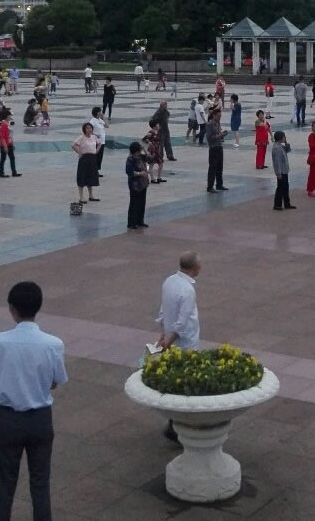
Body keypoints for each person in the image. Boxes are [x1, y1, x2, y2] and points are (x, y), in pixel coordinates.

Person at [0, 281, 68, 521]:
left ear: (12, 309)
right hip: (40, 419)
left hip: (6, 419)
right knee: (40, 483)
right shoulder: (54, 344)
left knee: (3, 484)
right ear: (38, 307)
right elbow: (56, 381)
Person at [157, 252, 202, 441]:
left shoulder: (169, 281)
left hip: (171, 338)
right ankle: (177, 425)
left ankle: (174, 423)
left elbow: (163, 310)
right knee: (186, 382)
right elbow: (182, 322)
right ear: (195, 268)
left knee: (175, 379)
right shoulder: (188, 290)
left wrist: (163, 334)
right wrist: (169, 340)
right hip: (186, 343)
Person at [71, 123, 100, 209]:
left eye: (90, 128)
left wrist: (96, 151)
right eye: (87, 128)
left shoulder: (94, 137)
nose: (89, 130)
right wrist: (79, 152)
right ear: (84, 129)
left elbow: (99, 144)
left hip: (92, 158)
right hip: (84, 158)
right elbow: (73, 145)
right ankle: (81, 197)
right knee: (82, 177)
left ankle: (91, 195)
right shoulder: (81, 137)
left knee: (91, 177)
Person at [126, 141, 150, 230]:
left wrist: (144, 149)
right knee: (134, 203)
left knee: (142, 202)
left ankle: (140, 221)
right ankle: (132, 223)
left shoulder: (141, 157)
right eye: (139, 149)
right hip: (135, 184)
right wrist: (140, 173)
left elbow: (149, 158)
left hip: (143, 183)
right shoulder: (130, 159)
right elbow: (129, 171)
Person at [206, 105, 228, 193]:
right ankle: (210, 186)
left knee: (219, 167)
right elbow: (209, 138)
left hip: (219, 146)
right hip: (213, 148)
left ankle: (219, 184)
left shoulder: (218, 124)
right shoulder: (209, 124)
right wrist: (220, 135)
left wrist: (222, 135)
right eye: (218, 116)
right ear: (214, 115)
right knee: (212, 168)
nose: (219, 118)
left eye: (220, 116)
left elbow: (219, 135)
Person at [271, 131, 295, 210]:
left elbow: (288, 150)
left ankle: (287, 203)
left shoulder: (280, 146)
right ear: (281, 137)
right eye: (284, 137)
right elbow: (277, 162)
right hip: (281, 172)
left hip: (284, 170)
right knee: (280, 188)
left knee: (285, 187)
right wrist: (278, 173)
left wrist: (287, 144)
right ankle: (277, 204)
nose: (285, 138)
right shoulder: (277, 148)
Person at [142, 119, 166, 184]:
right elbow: (144, 139)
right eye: (157, 124)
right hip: (152, 151)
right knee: (151, 165)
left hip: (157, 150)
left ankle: (159, 178)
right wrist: (149, 142)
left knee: (161, 164)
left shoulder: (157, 132)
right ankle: (152, 179)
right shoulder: (151, 132)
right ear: (154, 126)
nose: (159, 125)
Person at [90, 106, 109, 174]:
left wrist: (103, 118)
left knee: (100, 157)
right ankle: (93, 171)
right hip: (96, 142)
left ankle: (96, 171)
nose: (101, 112)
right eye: (100, 111)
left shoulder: (100, 120)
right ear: (97, 112)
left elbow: (107, 126)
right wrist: (95, 135)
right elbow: (89, 130)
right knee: (95, 156)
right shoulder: (93, 121)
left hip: (102, 142)